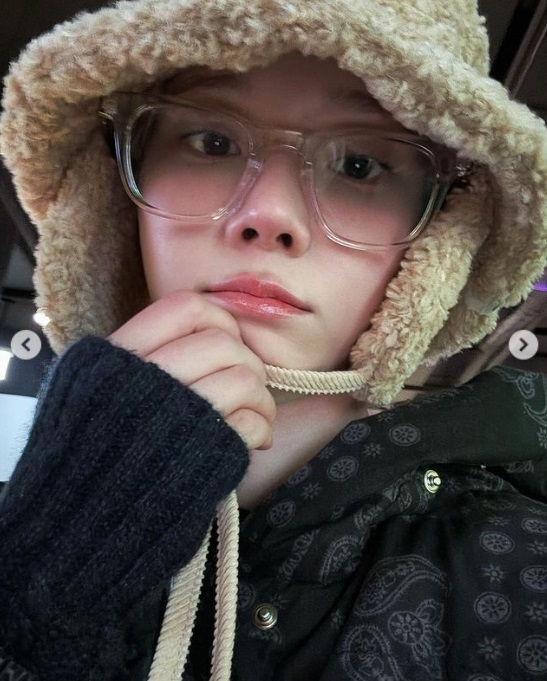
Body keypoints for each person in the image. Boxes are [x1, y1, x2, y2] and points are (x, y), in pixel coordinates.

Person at [0, 0, 547, 679]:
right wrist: (38, 589)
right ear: (116, 196)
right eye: (211, 143)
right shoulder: (21, 522)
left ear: (438, 239)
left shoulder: (517, 576)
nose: (269, 214)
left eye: (359, 165)